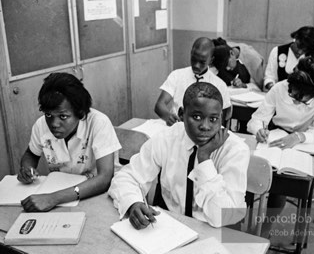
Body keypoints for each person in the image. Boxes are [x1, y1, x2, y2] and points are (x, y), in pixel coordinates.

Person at [109, 82, 249, 228]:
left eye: (213, 119)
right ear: (182, 114)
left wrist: (204, 159)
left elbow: (223, 218)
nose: (205, 126)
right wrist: (133, 202)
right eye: (196, 117)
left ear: (221, 117)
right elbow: (126, 177)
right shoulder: (167, 138)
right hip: (170, 228)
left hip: (212, 233)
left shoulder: (235, 150)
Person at [247, 56, 314, 238]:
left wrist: (299, 137)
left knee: (283, 181)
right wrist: (258, 130)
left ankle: (265, 228)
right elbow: (256, 119)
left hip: (305, 143)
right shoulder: (279, 88)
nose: (294, 101)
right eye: (292, 95)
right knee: (255, 170)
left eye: (301, 100)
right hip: (275, 136)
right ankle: (246, 226)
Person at [17, 72, 122, 212]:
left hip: (99, 195)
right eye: (48, 115)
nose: (54, 124)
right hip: (63, 196)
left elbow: (104, 178)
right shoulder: (41, 125)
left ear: (81, 113)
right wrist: (27, 169)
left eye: (63, 116)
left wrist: (53, 198)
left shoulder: (99, 123)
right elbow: (31, 154)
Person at [154, 37, 231, 126]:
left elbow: (221, 120)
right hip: (177, 128)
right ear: (191, 53)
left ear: (211, 60)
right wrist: (168, 116)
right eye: (194, 59)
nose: (196, 65)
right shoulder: (177, 75)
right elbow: (160, 104)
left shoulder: (219, 85)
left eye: (202, 62)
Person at [264, 26, 314, 92]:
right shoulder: (277, 51)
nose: (300, 52)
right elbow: (269, 77)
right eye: (298, 46)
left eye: (305, 50)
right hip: (280, 96)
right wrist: (272, 87)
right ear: (296, 37)